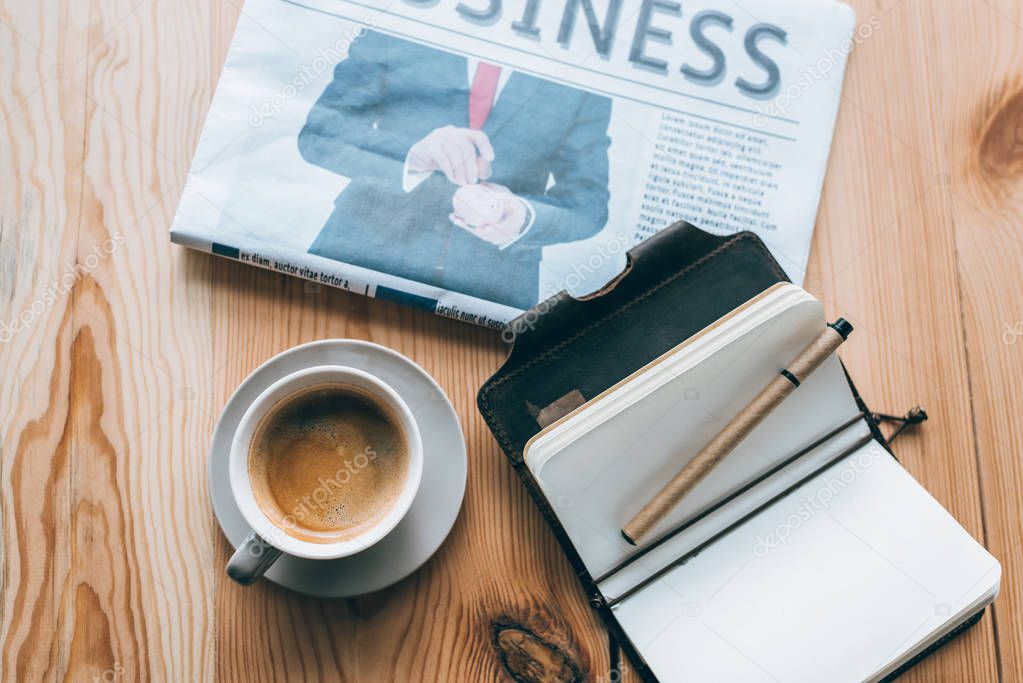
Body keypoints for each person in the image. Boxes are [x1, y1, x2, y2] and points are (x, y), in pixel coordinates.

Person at [298, 30, 612, 310]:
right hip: (358, 255)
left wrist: (524, 217)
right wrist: (411, 156)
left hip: (495, 288)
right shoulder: (409, 17)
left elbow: (587, 204)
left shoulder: (584, 60)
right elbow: (320, 134)